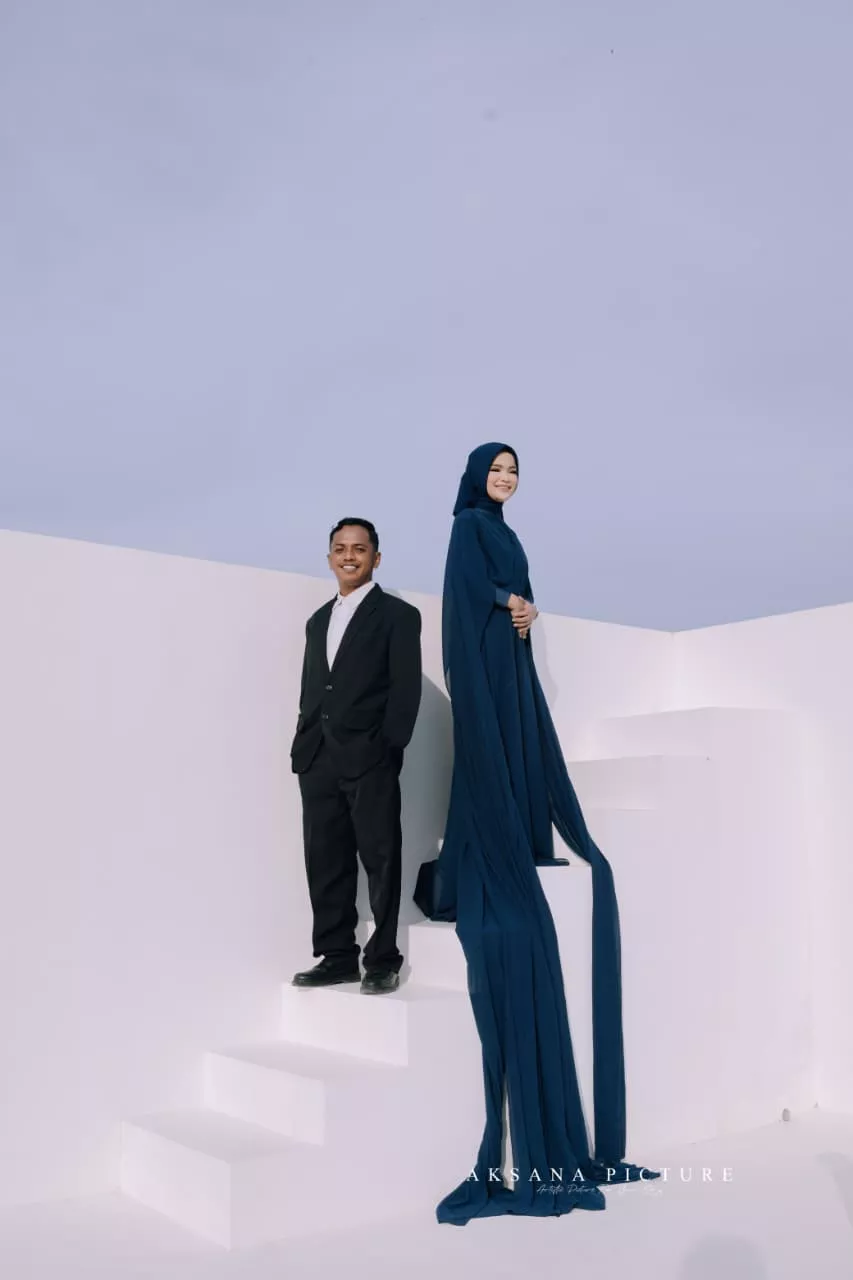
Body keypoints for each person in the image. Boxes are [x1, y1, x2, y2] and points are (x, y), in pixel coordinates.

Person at [414, 443, 658, 1223]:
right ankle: (489, 845)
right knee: (493, 749)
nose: (505, 479)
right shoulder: (465, 526)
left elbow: (513, 589)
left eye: (513, 471)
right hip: (487, 656)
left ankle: (521, 829)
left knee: (522, 744)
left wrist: (527, 608)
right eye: (496, 469)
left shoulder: (506, 530)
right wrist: (504, 604)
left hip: (509, 651)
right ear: (474, 476)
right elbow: (464, 594)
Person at [291, 518, 422, 994]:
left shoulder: (398, 616)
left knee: (381, 859)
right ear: (330, 557)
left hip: (370, 758)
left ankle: (383, 959)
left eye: (359, 549)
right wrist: (304, 744)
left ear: (376, 558)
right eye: (341, 548)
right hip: (318, 758)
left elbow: (405, 691)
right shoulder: (317, 620)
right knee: (325, 860)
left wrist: (387, 749)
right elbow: (314, 687)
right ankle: (337, 956)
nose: (349, 556)